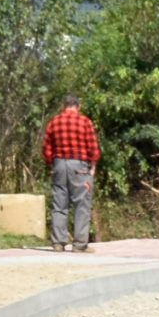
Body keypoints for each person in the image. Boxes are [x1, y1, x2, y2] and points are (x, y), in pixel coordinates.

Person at [41, 95, 100, 251]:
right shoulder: (85, 122)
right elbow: (93, 147)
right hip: (80, 166)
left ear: (64, 105)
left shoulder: (54, 122)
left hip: (59, 164)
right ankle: (80, 244)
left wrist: (51, 165)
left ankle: (58, 243)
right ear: (77, 106)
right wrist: (93, 166)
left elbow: (46, 148)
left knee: (59, 204)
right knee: (82, 204)